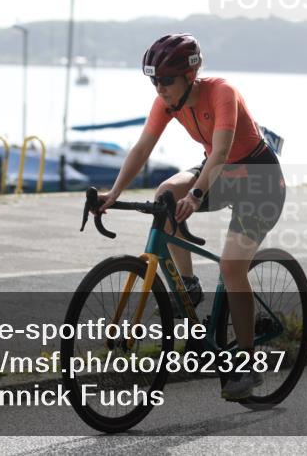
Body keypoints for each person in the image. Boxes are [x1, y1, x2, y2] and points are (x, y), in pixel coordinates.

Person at [97, 33, 286, 400]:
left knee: (232, 267)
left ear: (190, 74)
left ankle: (246, 365)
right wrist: (114, 192)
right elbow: (142, 148)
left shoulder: (221, 92)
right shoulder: (166, 103)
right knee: (165, 194)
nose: (160, 88)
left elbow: (221, 152)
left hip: (260, 182)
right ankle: (188, 286)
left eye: (167, 80)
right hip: (222, 174)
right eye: (154, 80)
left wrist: (198, 194)